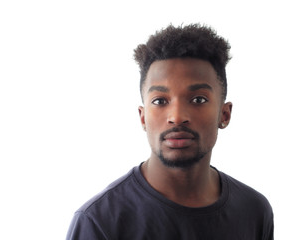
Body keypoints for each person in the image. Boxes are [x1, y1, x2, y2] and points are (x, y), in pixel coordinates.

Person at [66, 23, 274, 239]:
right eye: (160, 100)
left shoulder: (254, 211)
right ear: (143, 117)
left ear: (224, 114)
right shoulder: (99, 222)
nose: (176, 117)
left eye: (198, 99)